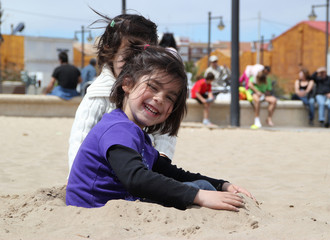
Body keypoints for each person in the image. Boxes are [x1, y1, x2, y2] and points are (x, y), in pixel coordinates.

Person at [66, 44, 256, 211]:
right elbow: (136, 178)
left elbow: (172, 173)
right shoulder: (118, 128)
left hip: (117, 208)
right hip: (95, 211)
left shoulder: (136, 134)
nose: (159, 99)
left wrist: (222, 185)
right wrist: (198, 195)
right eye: (153, 87)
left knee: (202, 185)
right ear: (128, 83)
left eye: (169, 97)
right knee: (200, 188)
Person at [67, 13, 176, 176]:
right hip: (106, 179)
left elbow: (164, 130)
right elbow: (79, 140)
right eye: (132, 49)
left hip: (143, 177)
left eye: (145, 52)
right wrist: (78, 178)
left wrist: (161, 160)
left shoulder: (149, 92)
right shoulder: (99, 96)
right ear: (110, 51)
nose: (137, 59)